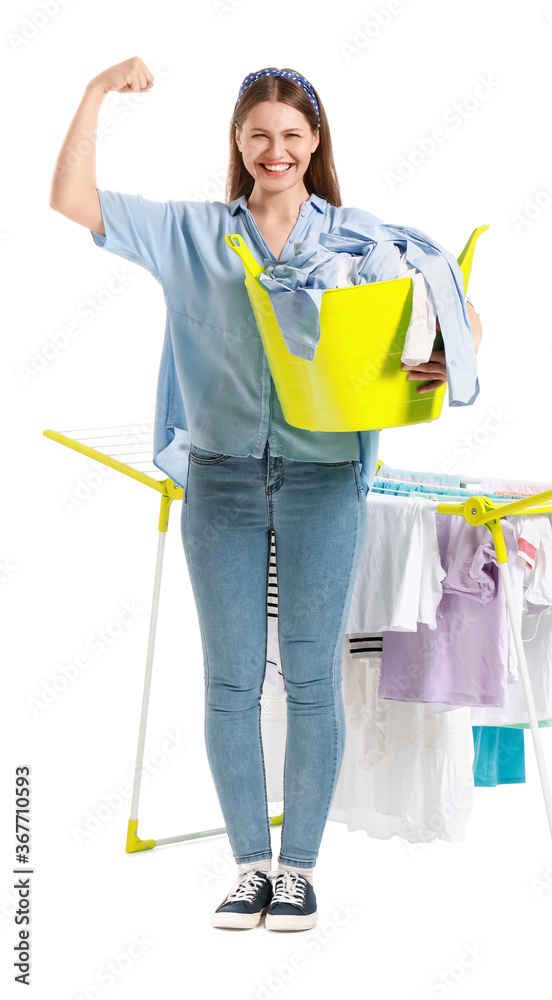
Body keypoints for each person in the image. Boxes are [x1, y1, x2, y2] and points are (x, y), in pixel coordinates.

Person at [49, 57, 483, 932]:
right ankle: (249, 867)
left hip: (326, 479)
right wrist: (95, 93)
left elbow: (451, 311)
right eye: (258, 136)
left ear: (314, 143)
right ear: (239, 145)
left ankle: (300, 872)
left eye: (291, 135)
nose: (274, 150)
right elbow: (71, 200)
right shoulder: (193, 234)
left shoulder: (358, 239)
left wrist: (444, 357)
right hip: (221, 483)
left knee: (316, 679)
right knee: (231, 683)